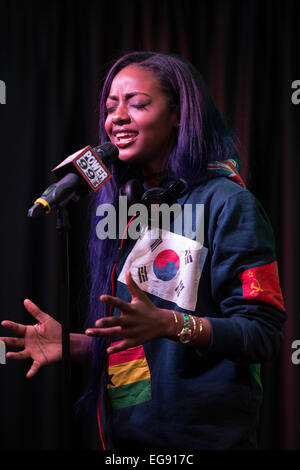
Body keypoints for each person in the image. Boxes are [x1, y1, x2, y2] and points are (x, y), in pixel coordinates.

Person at [0, 51, 286, 450]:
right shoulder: (131, 208)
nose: (116, 116)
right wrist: (73, 344)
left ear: (178, 116)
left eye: (137, 103)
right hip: (128, 441)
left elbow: (263, 333)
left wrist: (174, 325)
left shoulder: (228, 204)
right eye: (111, 106)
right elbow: (142, 345)